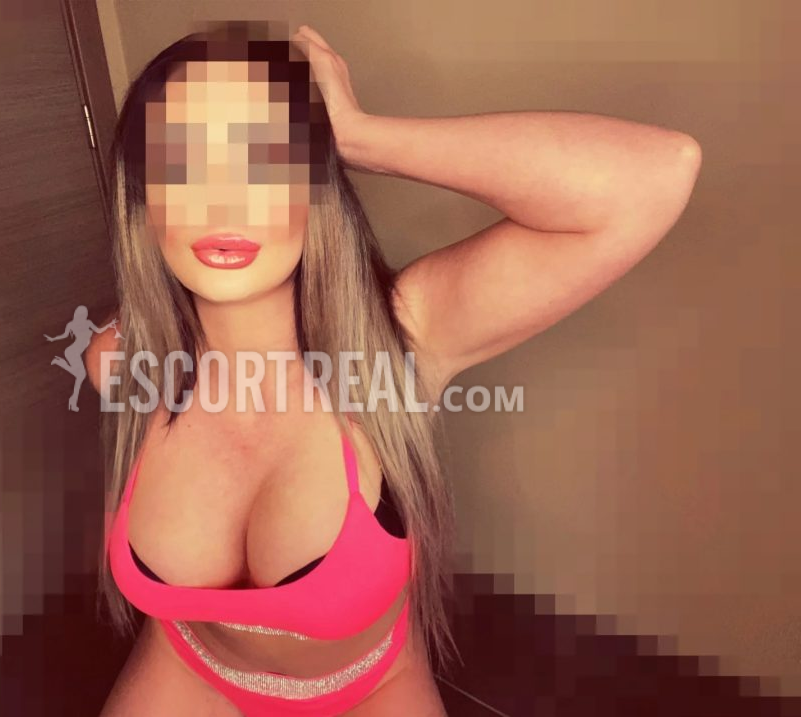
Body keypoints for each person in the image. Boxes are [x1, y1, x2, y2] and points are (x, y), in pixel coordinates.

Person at [92, 20, 701, 716]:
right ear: (143, 198)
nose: (222, 200)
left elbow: (657, 173)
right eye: (181, 161)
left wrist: (361, 138)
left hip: (367, 688)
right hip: (189, 667)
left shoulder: (402, 337)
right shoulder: (121, 361)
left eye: (263, 156)